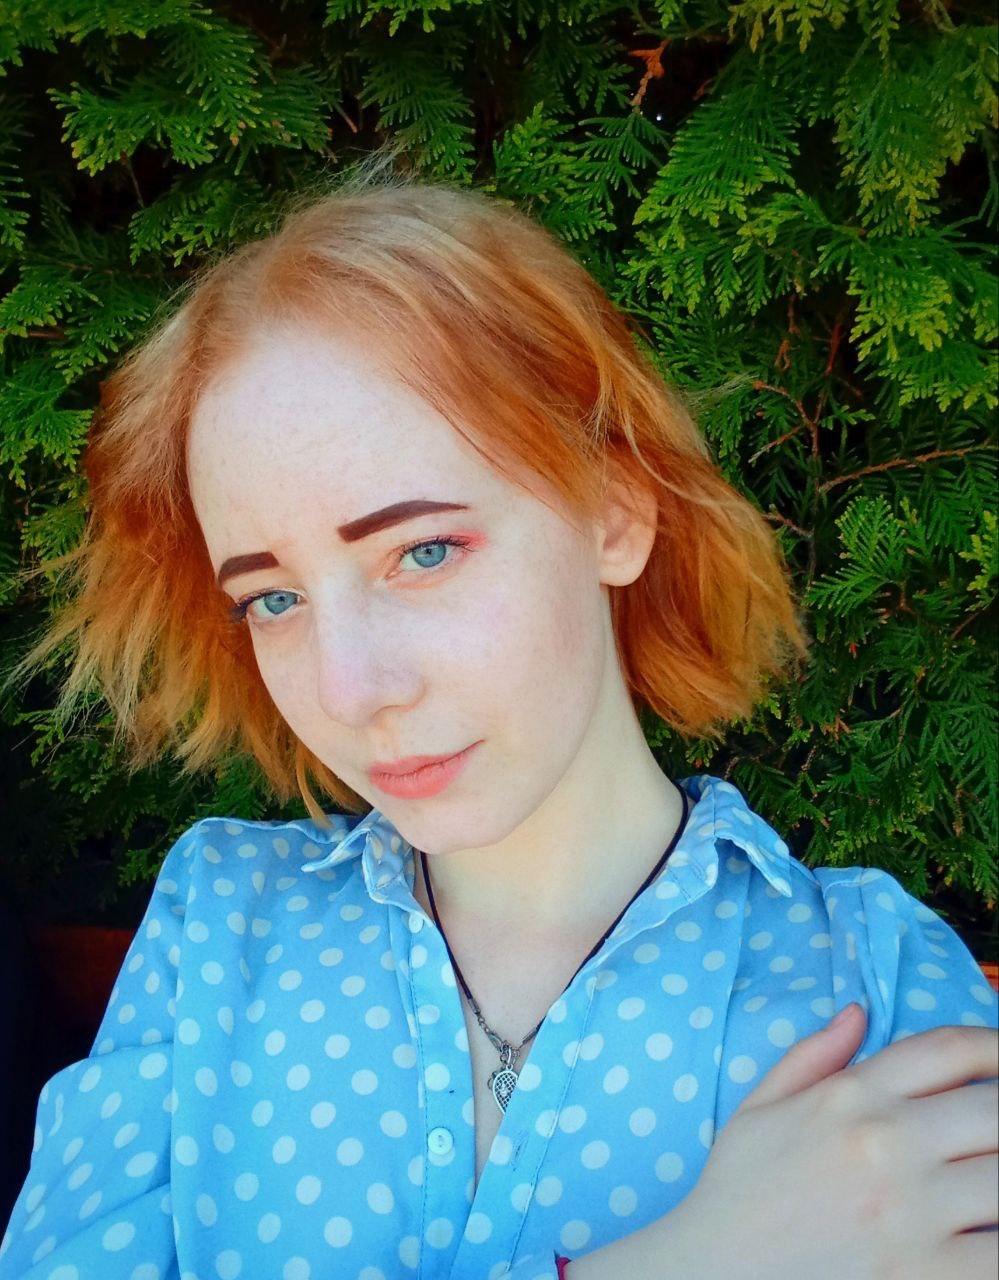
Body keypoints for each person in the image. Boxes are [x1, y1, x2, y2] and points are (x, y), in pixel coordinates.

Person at [0, 154, 996, 1280]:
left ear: (615, 513)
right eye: (272, 599)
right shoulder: (222, 926)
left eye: (424, 551)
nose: (351, 689)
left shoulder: (869, 977)